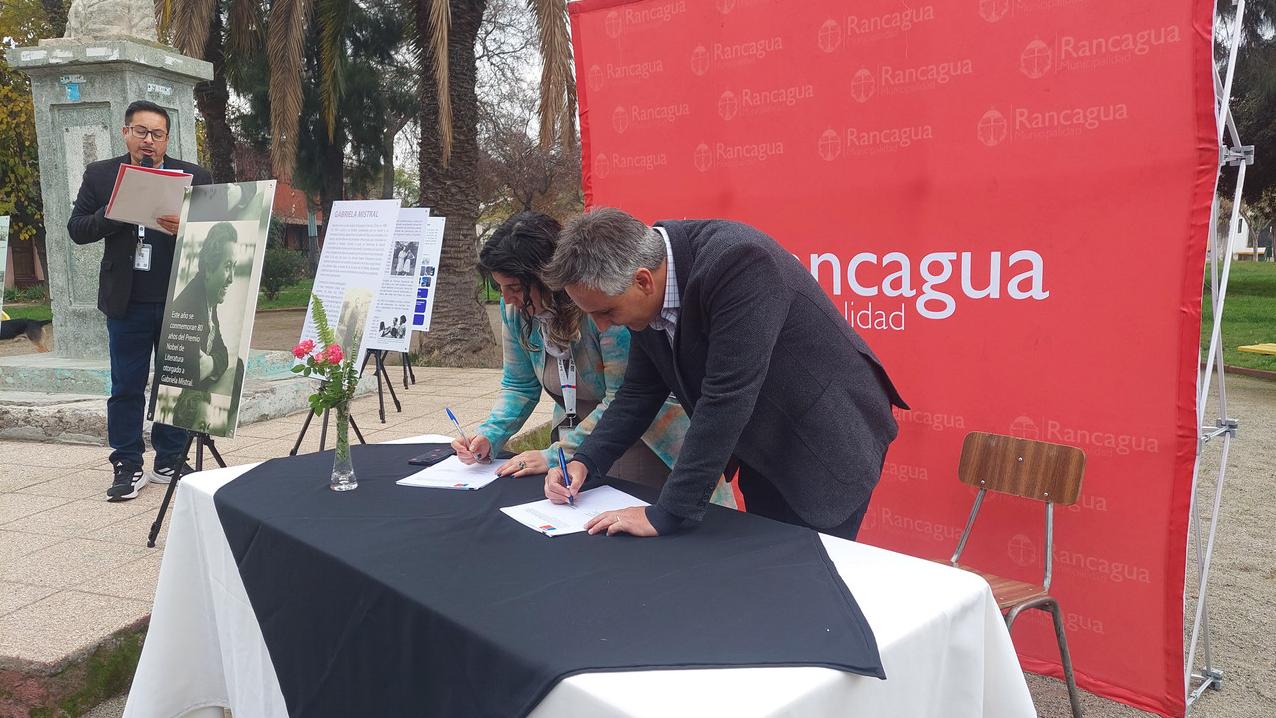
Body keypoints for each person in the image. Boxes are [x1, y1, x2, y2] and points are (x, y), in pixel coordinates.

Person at [542, 208, 906, 539]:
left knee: (807, 581)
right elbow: (638, 392)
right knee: (767, 567)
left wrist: (666, 514)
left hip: (826, 441)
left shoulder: (739, 262)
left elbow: (726, 398)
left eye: (606, 311)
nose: (602, 327)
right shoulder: (645, 287)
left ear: (643, 281)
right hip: (765, 442)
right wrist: (586, 462)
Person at [455, 212, 733, 505]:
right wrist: (488, 436)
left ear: (546, 279)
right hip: (579, 450)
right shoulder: (515, 311)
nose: (507, 298)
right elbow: (518, 386)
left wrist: (557, 453)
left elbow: (627, 397)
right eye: (501, 288)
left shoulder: (603, 306)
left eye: (514, 288)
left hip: (645, 444)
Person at [68, 100, 212, 501]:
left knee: (174, 384)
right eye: (142, 132)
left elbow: (219, 232)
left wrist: (189, 227)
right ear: (126, 132)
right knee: (127, 384)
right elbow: (77, 229)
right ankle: (127, 463)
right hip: (126, 300)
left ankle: (169, 459)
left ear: (167, 138)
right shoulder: (101, 175)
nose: (149, 141)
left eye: (158, 134)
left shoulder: (194, 176)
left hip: (180, 296)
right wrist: (114, 213)